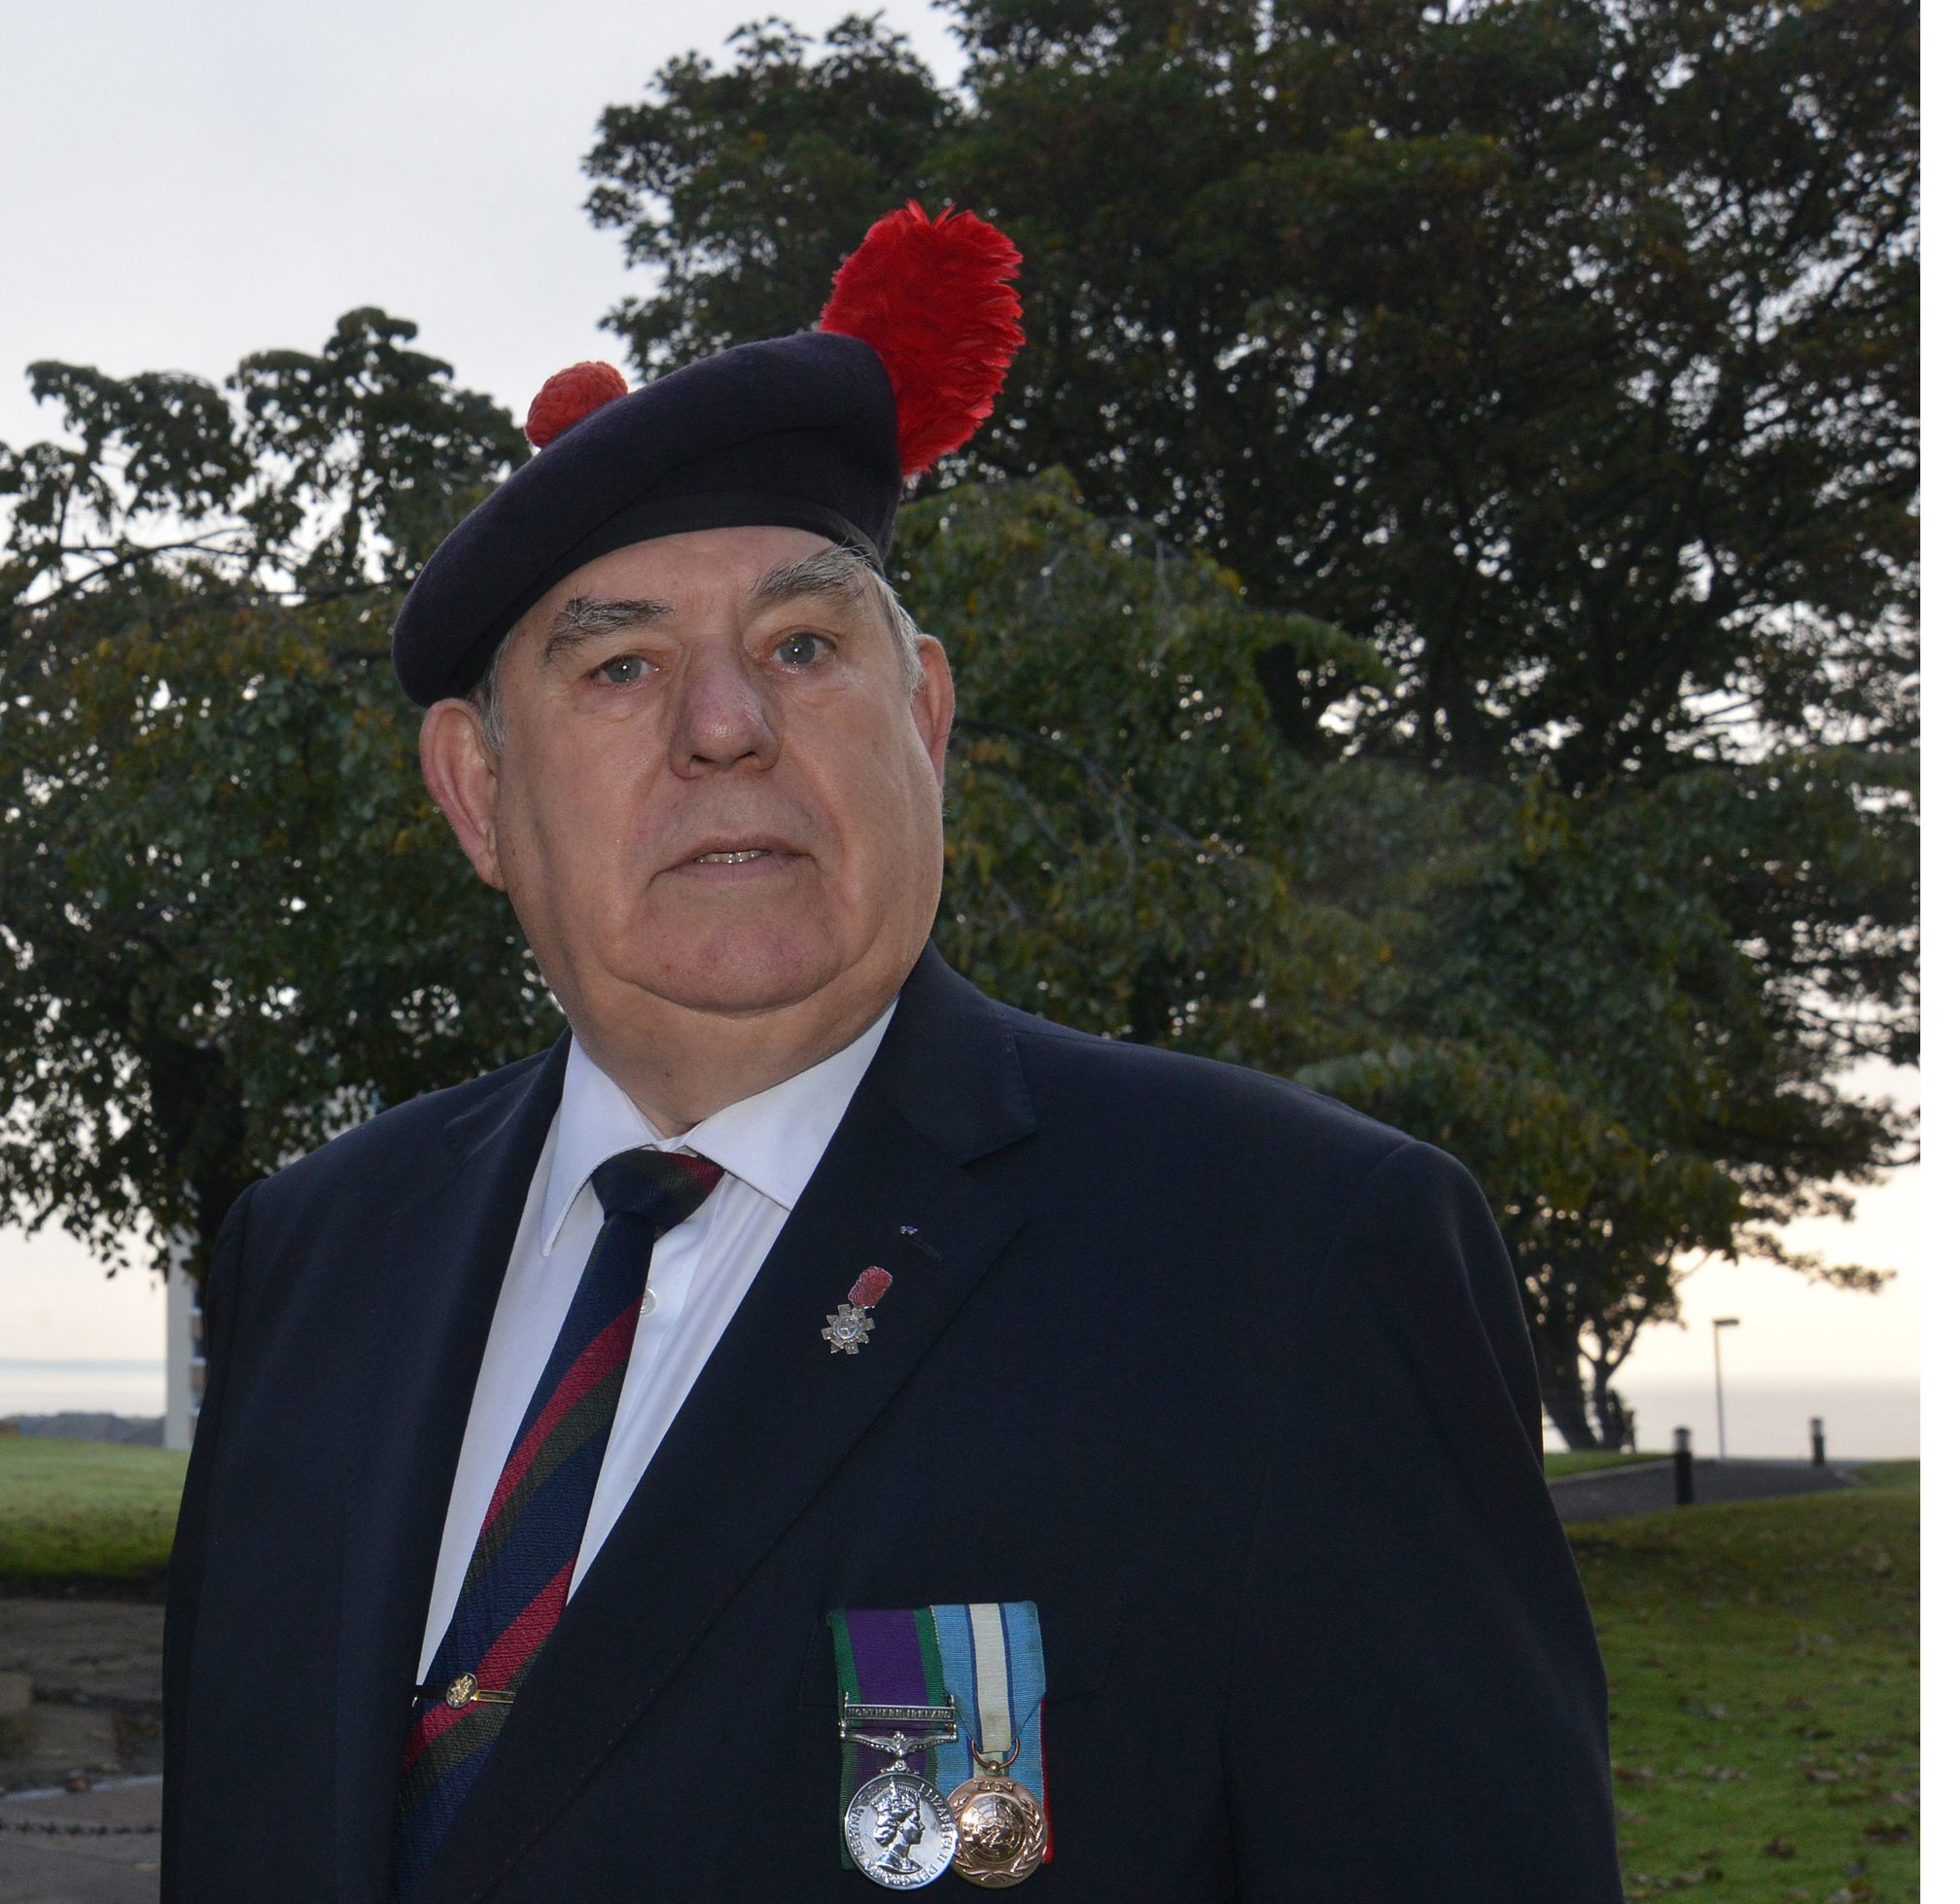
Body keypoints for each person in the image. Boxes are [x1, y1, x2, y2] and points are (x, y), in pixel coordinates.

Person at [158, 206, 1618, 1900]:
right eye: (620, 664)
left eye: (801, 646)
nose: (726, 725)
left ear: (921, 717)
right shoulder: (315, 1250)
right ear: (478, 793)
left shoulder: (1291, 1255)